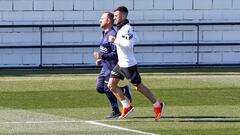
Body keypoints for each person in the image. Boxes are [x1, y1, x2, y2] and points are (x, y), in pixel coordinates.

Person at [108, 6, 165, 121]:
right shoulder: (123, 28)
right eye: (114, 16)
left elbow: (129, 45)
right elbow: (136, 39)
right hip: (121, 64)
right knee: (111, 85)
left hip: (128, 65)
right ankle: (126, 106)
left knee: (138, 87)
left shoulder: (126, 28)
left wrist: (115, 41)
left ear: (123, 16)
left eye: (116, 15)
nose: (114, 18)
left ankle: (157, 105)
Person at [94, 11, 132, 118]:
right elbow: (106, 52)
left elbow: (115, 54)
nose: (100, 20)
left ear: (109, 21)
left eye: (102, 18)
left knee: (108, 88)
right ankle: (124, 90)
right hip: (104, 67)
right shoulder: (103, 34)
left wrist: (103, 56)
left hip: (112, 67)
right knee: (100, 88)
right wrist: (101, 60)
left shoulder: (113, 34)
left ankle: (116, 111)